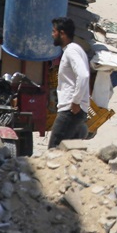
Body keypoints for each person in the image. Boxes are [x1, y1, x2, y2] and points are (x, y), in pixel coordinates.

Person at [49, 16, 90, 148]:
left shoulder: (71, 51)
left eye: (54, 31)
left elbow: (83, 75)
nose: (52, 34)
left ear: (62, 33)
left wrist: (76, 102)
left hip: (70, 111)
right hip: (75, 110)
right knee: (69, 154)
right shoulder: (76, 49)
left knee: (54, 150)